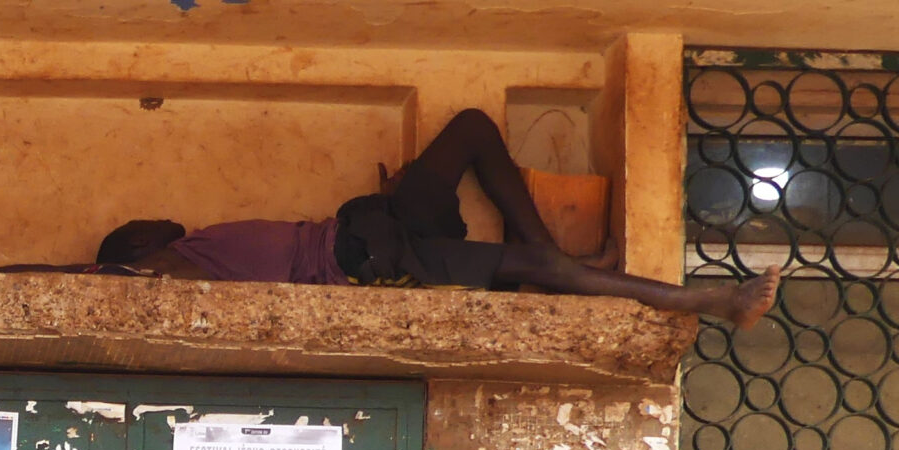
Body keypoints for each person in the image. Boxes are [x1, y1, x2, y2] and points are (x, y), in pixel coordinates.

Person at [93, 109, 781, 327]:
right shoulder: (168, 269)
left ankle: (561, 270)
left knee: (473, 129)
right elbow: (104, 282)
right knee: (535, 266)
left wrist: (397, 198)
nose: (158, 220)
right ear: (137, 250)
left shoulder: (209, 244)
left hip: (377, 226)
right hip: (377, 266)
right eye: (144, 226)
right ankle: (712, 303)